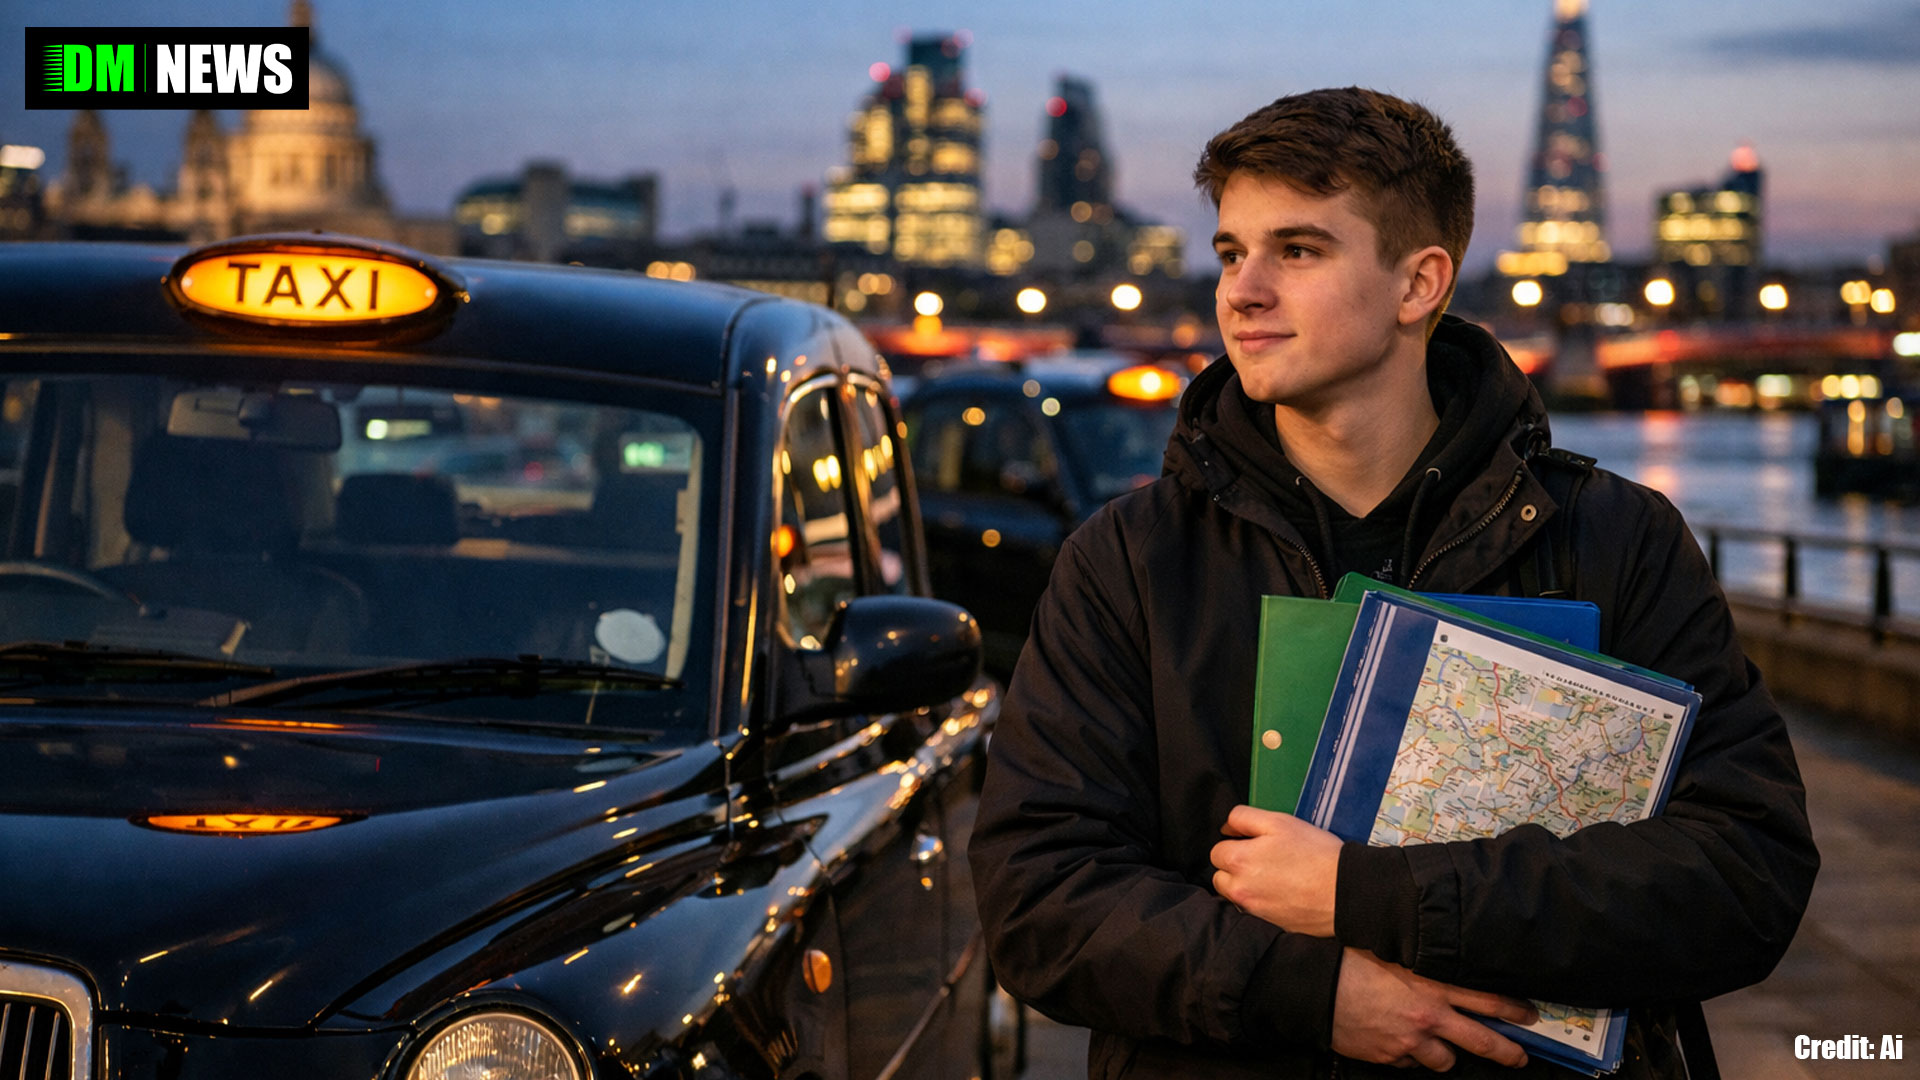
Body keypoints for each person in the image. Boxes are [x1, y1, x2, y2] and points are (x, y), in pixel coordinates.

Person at [968, 87, 1818, 1079]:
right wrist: (1316, 997)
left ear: (1419, 284)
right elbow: (1037, 901)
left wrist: (1368, 897)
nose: (1241, 291)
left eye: (1298, 250)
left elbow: (1745, 875)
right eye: (1232, 252)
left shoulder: (1619, 539)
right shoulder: (1127, 560)